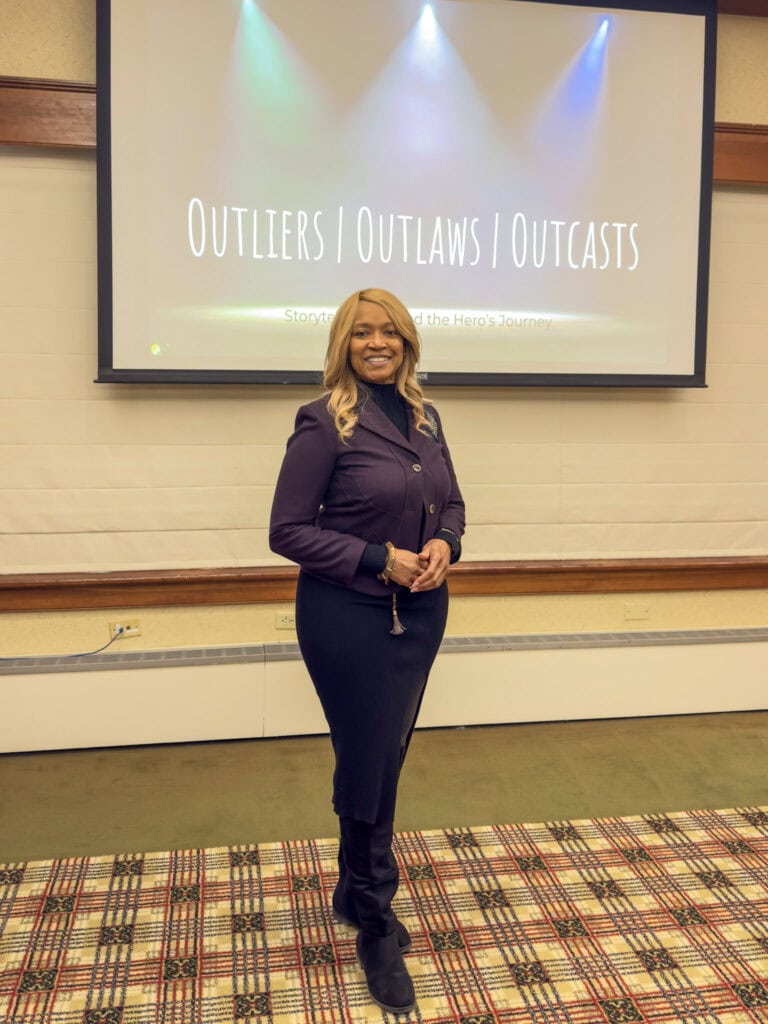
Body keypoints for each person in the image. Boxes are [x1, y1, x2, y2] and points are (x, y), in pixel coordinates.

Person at [269, 287, 465, 1014]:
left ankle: (353, 891)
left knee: (386, 754)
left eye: (389, 332)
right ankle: (376, 921)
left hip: (421, 612)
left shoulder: (426, 416)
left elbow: (452, 503)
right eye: (361, 333)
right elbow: (286, 531)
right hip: (346, 614)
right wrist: (380, 559)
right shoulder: (323, 421)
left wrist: (445, 542)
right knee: (369, 757)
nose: (376, 342)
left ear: (407, 342)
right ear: (342, 345)